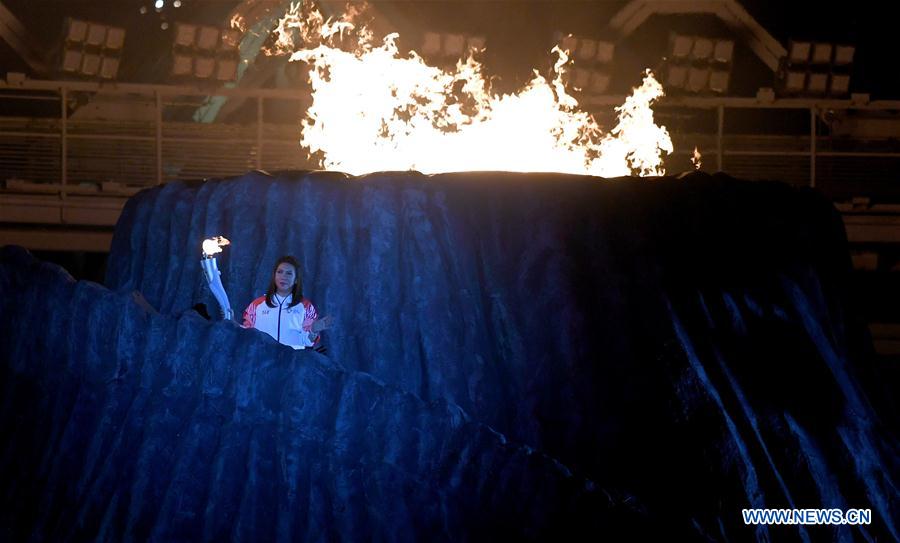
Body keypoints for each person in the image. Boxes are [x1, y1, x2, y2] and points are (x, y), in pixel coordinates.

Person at [241, 255, 331, 350]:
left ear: (296, 279)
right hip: (262, 360)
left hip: (292, 362)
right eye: (280, 272)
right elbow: (247, 334)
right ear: (274, 276)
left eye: (289, 273)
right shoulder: (257, 304)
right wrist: (233, 322)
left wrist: (313, 331)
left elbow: (308, 342)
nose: (283, 277)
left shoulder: (306, 307)